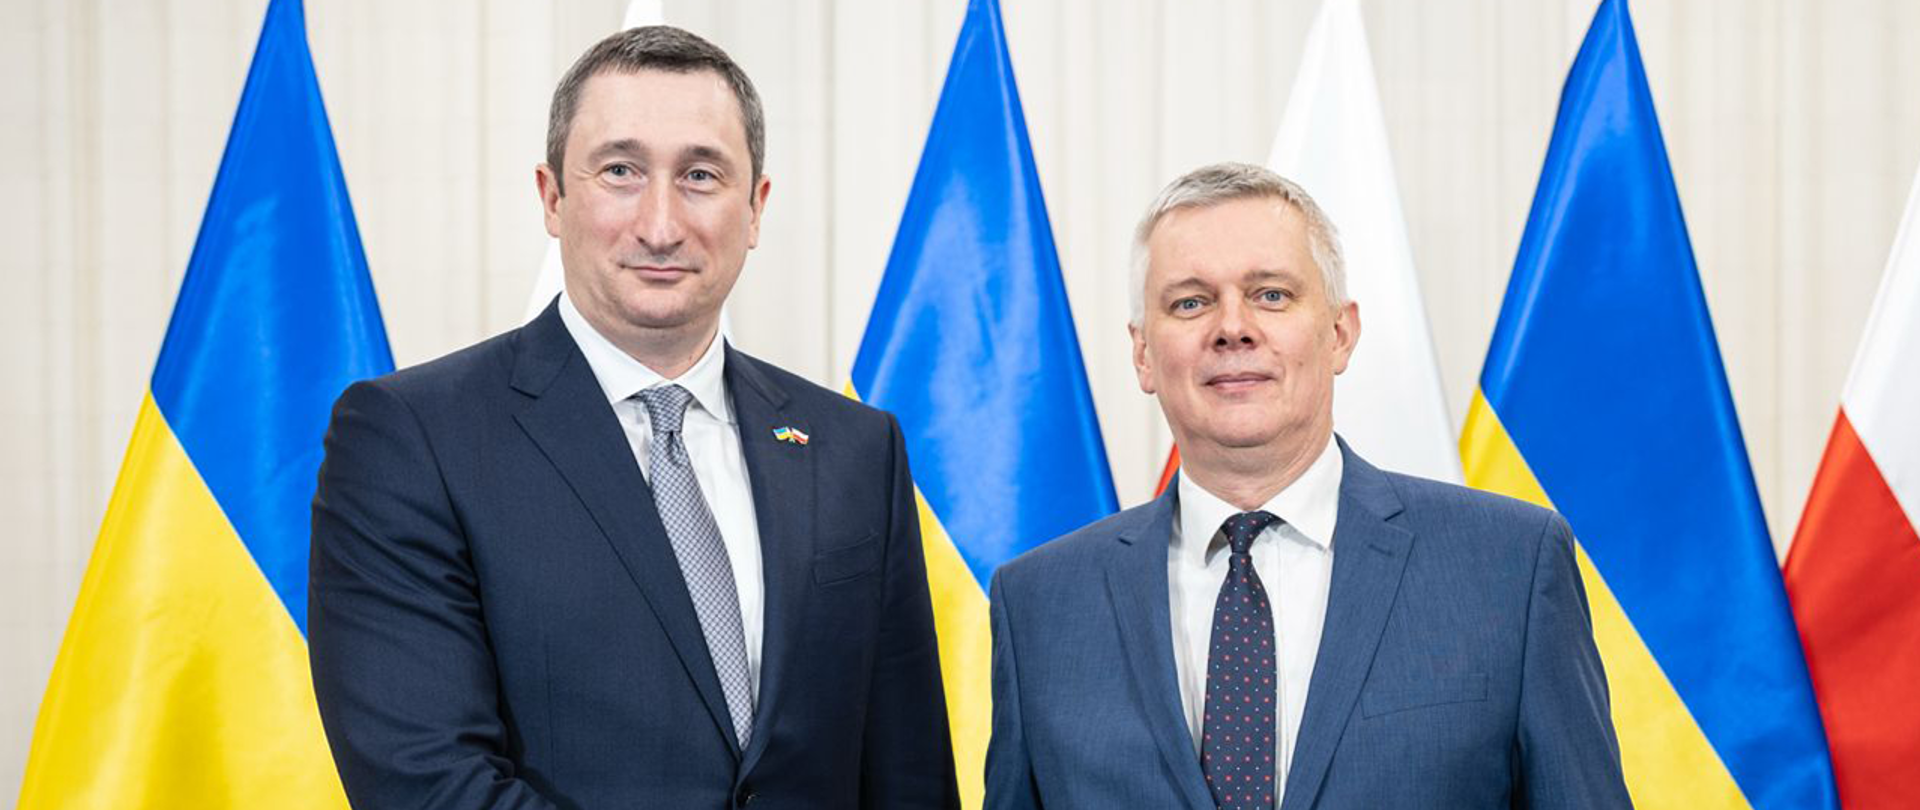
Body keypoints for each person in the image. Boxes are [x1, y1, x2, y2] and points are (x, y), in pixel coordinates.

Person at [309, 26, 958, 809]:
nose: (660, 223)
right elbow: (428, 783)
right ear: (553, 198)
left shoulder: (856, 450)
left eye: (700, 175)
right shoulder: (411, 440)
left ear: (755, 209)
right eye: (620, 171)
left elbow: (907, 777)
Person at [983, 163, 1630, 809]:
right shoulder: (1039, 604)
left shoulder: (1508, 565)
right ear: (1143, 353)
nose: (1232, 327)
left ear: (1341, 333)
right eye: (1190, 302)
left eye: (1271, 295)